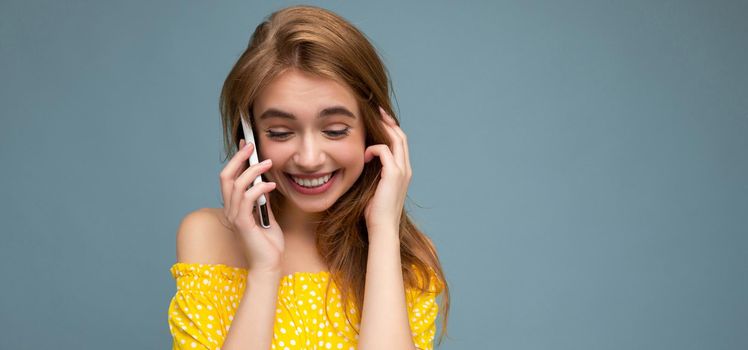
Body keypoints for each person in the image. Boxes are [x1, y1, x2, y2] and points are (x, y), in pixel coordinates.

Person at [167, 5, 450, 350]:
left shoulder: (407, 257)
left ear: (373, 132)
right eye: (281, 132)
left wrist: (383, 233)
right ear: (251, 138)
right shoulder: (207, 236)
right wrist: (264, 271)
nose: (309, 158)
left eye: (334, 130)